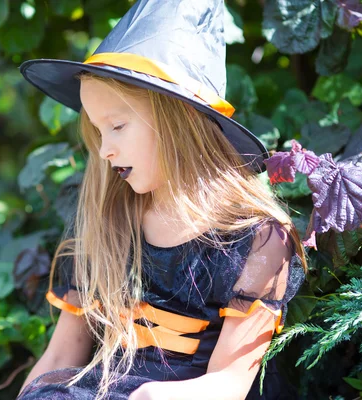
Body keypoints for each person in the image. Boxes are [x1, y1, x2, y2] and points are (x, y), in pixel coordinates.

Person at [17, 0, 308, 399]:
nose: (105, 151)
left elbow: (231, 383)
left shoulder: (256, 239)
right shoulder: (107, 221)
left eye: (117, 126)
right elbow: (59, 357)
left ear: (179, 122)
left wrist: (152, 395)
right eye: (99, 132)